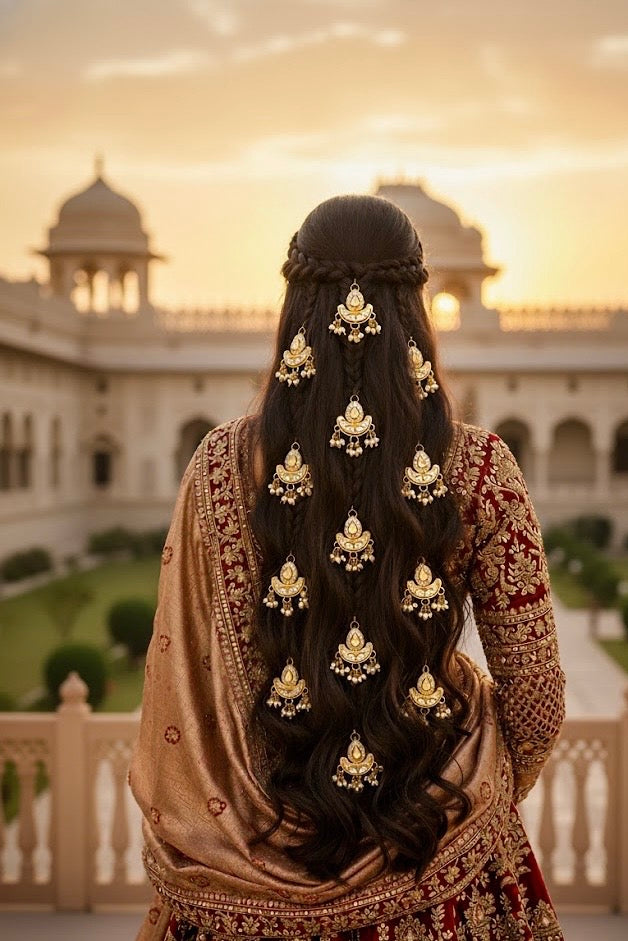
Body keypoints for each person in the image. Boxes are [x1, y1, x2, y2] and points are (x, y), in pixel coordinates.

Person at [130, 194, 566, 941]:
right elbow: (536, 698)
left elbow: (186, 696)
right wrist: (459, 795)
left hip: (241, 880)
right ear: (415, 312)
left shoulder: (216, 469)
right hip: (438, 868)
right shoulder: (480, 469)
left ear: (296, 307)